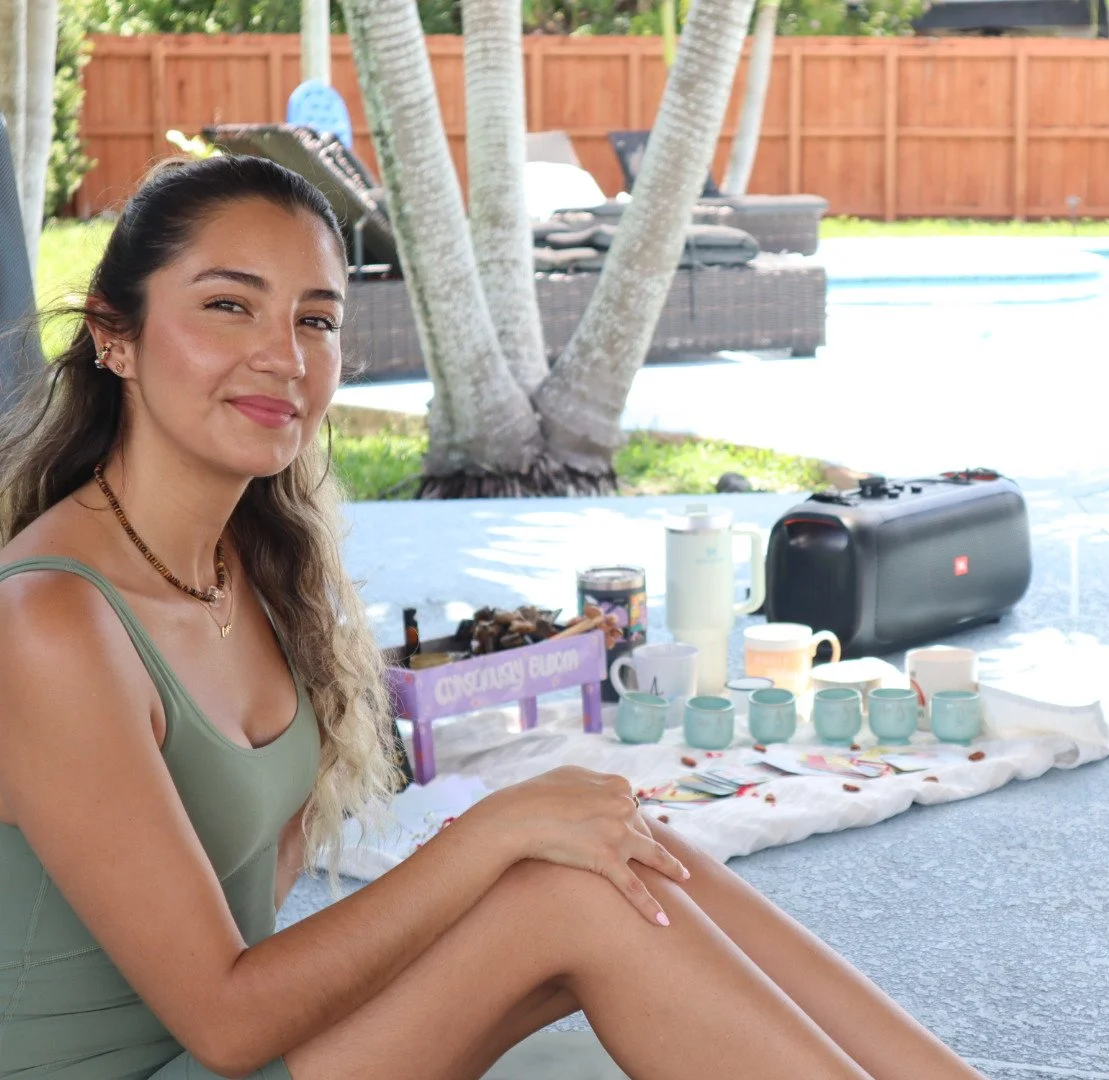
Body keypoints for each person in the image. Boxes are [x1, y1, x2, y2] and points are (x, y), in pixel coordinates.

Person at [0, 155, 984, 1080]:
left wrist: (517, 837)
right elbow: (225, 1021)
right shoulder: (49, 621)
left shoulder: (252, 565)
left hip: (226, 1047)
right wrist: (486, 840)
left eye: (315, 320)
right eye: (227, 306)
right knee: (562, 885)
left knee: (609, 836)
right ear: (112, 334)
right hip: (183, 1056)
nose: (283, 358)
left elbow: (247, 916)